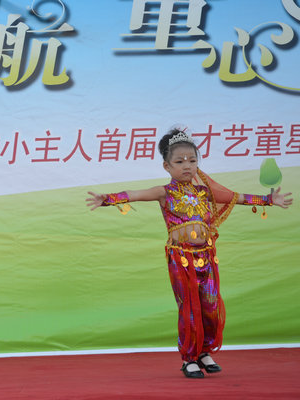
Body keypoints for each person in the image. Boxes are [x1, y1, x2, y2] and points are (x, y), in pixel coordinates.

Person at [85, 127, 293, 378]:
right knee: (190, 308)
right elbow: (136, 194)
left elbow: (237, 198)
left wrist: (268, 200)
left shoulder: (205, 192)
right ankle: (189, 358)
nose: (187, 166)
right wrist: (107, 199)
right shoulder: (164, 192)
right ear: (167, 166)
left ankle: (204, 352)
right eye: (180, 161)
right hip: (181, 259)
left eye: (192, 161)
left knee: (210, 306)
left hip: (207, 256)